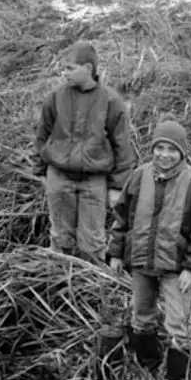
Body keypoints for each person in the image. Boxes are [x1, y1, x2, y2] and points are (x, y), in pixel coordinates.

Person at [106, 119, 191, 380]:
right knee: (141, 315)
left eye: (172, 150)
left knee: (178, 323)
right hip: (140, 260)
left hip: (175, 268)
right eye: (160, 148)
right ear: (152, 149)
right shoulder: (139, 176)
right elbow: (121, 219)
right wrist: (116, 254)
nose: (164, 155)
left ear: (182, 153)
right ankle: (148, 366)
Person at [33, 40, 137, 263]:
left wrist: (117, 186)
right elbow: (42, 135)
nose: (64, 73)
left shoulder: (111, 101)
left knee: (92, 243)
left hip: (94, 182)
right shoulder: (55, 97)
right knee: (61, 241)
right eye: (63, 68)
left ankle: (92, 289)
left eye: (70, 68)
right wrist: (41, 172)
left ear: (88, 68)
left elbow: (123, 146)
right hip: (59, 178)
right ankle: (58, 286)